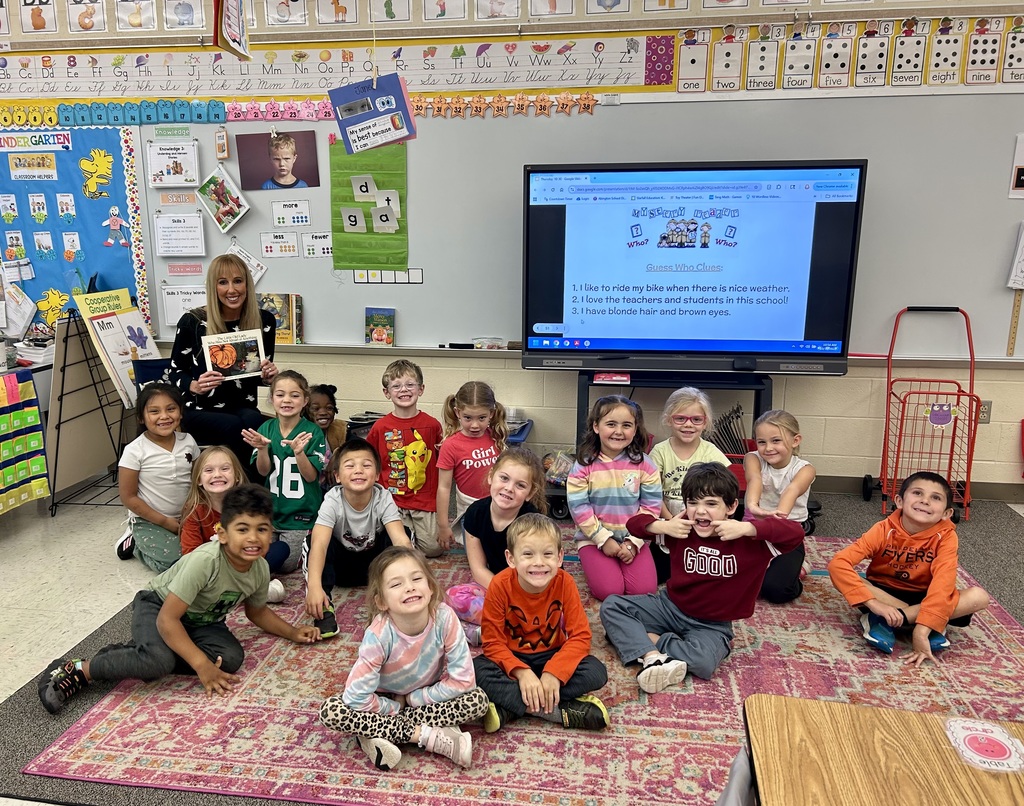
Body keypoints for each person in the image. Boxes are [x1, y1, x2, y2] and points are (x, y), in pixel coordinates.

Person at [38, 486, 321, 715]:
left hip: (200, 621)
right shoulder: (204, 561)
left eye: (262, 530)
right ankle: (79, 669)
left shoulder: (259, 568)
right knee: (158, 663)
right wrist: (200, 665)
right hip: (158, 606)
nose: (253, 538)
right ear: (222, 534)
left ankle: (141, 652)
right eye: (243, 529)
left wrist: (293, 632)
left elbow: (257, 612)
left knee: (230, 659)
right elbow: (167, 619)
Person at [601, 463, 804, 692]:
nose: (700, 511)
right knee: (612, 606)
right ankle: (651, 656)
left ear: (731, 506)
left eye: (711, 504)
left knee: (703, 662)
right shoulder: (681, 530)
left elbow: (795, 533)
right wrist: (663, 526)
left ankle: (653, 640)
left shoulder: (752, 542)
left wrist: (748, 529)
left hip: (712, 625)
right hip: (669, 607)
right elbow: (634, 525)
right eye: (693, 503)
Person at [318, 546, 489, 771]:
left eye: (417, 578)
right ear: (381, 602)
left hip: (423, 697)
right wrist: (392, 706)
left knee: (477, 701)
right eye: (396, 584)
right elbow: (355, 698)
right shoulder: (378, 634)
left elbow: (464, 681)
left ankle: (375, 735)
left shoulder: (445, 617)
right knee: (332, 711)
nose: (409, 587)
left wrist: (414, 699)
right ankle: (427, 736)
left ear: (430, 587)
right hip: (382, 699)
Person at [827, 471, 990, 666]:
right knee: (847, 576)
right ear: (899, 501)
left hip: (924, 596)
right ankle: (918, 620)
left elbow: (942, 585)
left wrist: (921, 631)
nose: (925, 501)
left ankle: (894, 621)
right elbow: (838, 563)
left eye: (935, 498)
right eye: (917, 493)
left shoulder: (947, 537)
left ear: (947, 514)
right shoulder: (883, 529)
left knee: (979, 597)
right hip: (882, 593)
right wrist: (875, 604)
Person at [473, 513, 609, 732]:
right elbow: (492, 643)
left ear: (559, 557)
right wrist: (522, 672)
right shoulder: (499, 585)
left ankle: (510, 707)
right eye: (527, 554)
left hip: (553, 655)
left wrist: (554, 673)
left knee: (596, 671)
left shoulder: (565, 582)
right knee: (476, 670)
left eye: (547, 554)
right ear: (511, 558)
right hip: (512, 658)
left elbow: (581, 636)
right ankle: (556, 711)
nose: (538, 562)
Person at [169, 253, 278, 479]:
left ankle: (253, 489)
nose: (232, 290)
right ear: (213, 287)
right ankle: (247, 489)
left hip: (242, 406)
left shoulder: (264, 320)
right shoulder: (193, 321)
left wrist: (268, 376)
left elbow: (255, 373)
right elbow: (174, 372)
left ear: (247, 284)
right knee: (235, 427)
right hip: (199, 408)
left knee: (255, 422)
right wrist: (194, 385)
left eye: (238, 281)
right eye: (223, 282)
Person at [303, 438, 413, 638]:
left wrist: (413, 580)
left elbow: (400, 541)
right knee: (312, 541)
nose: (358, 470)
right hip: (341, 569)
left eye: (366, 465)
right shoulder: (332, 500)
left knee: (404, 535)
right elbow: (319, 545)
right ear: (337, 476)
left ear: (377, 475)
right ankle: (324, 608)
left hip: (374, 570)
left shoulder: (383, 497)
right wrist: (314, 586)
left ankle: (396, 596)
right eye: (350, 465)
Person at [447, 447, 549, 644]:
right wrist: (506, 599)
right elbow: (478, 569)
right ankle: (510, 631)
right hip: (495, 586)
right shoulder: (475, 513)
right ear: (491, 477)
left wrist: (521, 600)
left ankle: (490, 632)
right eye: (504, 478)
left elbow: (541, 573)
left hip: (530, 589)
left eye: (520, 485)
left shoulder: (533, 523)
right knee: (452, 598)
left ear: (530, 493)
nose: (509, 488)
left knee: (555, 616)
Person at [566, 395, 661, 601]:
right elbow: (579, 507)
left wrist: (633, 542)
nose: (619, 431)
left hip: (633, 539)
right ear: (596, 427)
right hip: (593, 539)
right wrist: (603, 539)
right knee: (609, 591)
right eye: (611, 424)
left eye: (626, 425)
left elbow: (651, 507)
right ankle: (593, 561)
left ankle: (623, 555)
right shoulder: (583, 464)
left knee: (644, 592)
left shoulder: (645, 464)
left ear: (635, 429)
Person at [242, 370, 327, 574]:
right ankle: (258, 577)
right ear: (271, 399)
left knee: (286, 564)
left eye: (294, 395)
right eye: (280, 395)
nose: (287, 400)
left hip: (300, 515)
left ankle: (262, 576)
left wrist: (299, 453)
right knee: (256, 552)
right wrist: (262, 449)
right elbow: (263, 471)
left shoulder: (312, 432)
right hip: (270, 513)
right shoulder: (266, 428)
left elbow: (311, 476)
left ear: (305, 400)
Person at [116, 383, 199, 572]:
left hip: (187, 517)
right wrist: (164, 522)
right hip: (150, 521)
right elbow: (128, 497)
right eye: (154, 411)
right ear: (141, 418)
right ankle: (134, 543)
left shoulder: (188, 441)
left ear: (180, 412)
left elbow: (196, 481)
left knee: (209, 552)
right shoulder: (134, 451)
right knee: (176, 564)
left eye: (171, 409)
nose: (164, 416)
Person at [650, 387, 729, 584]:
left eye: (696, 419)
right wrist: (670, 522)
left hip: (703, 525)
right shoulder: (659, 452)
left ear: (705, 422)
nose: (688, 425)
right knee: (659, 576)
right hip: (668, 524)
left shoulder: (712, 453)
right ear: (669, 419)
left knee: (705, 575)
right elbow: (653, 494)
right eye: (680, 419)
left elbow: (726, 495)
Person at [367, 360, 444, 557]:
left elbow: (440, 458)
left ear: (421, 389)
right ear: (387, 393)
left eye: (410, 384)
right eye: (396, 386)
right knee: (401, 547)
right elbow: (369, 457)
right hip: (393, 501)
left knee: (434, 549)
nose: (404, 390)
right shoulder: (380, 427)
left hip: (424, 499)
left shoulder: (432, 425)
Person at [743, 410, 816, 603]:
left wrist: (779, 514)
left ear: (795, 440)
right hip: (755, 529)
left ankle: (796, 571)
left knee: (776, 590)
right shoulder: (752, 458)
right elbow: (754, 478)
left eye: (776, 441)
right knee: (731, 578)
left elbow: (792, 490)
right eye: (762, 442)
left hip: (786, 534)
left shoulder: (805, 469)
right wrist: (753, 506)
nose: (768, 448)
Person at [436, 380, 509, 549]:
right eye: (468, 418)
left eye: (481, 418)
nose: (475, 425)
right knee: (480, 557)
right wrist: (443, 525)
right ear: (457, 412)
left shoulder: (496, 436)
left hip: (498, 505)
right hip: (469, 509)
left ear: (491, 413)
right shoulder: (451, 445)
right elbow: (444, 488)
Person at [308, 383, 347, 453]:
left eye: (329, 408)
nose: (323, 413)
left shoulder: (340, 432)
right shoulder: (300, 435)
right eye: (315, 408)